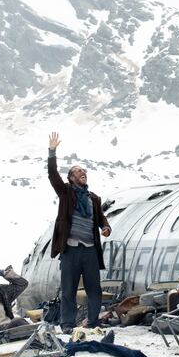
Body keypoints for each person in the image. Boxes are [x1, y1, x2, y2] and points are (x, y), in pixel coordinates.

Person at [46, 132, 111, 333]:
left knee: (94, 289)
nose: (82, 172)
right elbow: (52, 175)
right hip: (71, 249)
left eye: (84, 170)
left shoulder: (93, 198)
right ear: (71, 178)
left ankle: (93, 321)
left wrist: (106, 227)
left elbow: (100, 218)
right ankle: (67, 324)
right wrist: (52, 152)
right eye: (77, 171)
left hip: (90, 249)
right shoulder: (66, 193)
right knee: (69, 289)